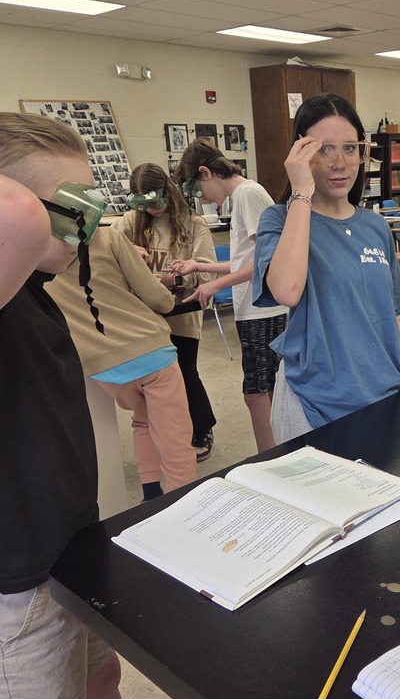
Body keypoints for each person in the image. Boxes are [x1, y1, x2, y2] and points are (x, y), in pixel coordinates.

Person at [0, 112, 214, 699]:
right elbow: (14, 211)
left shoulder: (32, 287)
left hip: (69, 541)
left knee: (99, 681)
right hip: (12, 576)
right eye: (73, 206)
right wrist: (30, 208)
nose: (93, 224)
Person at [252, 93, 400, 442]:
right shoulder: (280, 219)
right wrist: (301, 192)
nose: (339, 163)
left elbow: (381, 321)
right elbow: (287, 291)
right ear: (300, 154)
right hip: (315, 405)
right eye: (324, 149)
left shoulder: (375, 227)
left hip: (383, 396)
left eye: (350, 148)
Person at [50, 224, 198, 501]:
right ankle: (185, 505)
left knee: (142, 422)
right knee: (175, 437)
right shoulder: (108, 237)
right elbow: (158, 298)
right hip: (150, 352)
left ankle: (151, 494)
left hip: (101, 367)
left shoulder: (34, 255)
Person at [170, 139, 287, 451]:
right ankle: (277, 455)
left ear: (207, 172)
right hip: (256, 311)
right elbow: (245, 261)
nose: (203, 198)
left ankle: (271, 461)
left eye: (198, 190)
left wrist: (214, 285)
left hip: (264, 311)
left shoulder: (248, 194)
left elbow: (267, 261)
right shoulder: (243, 196)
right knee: (265, 391)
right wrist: (201, 265)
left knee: (258, 393)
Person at [113, 162, 218, 461]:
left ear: (167, 192)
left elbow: (207, 273)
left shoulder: (192, 224)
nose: (151, 209)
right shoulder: (130, 222)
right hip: (144, 319)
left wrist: (175, 278)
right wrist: (127, 252)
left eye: (155, 201)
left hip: (181, 317)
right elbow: (103, 250)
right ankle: (168, 435)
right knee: (152, 384)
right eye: (142, 203)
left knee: (185, 374)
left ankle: (201, 428)